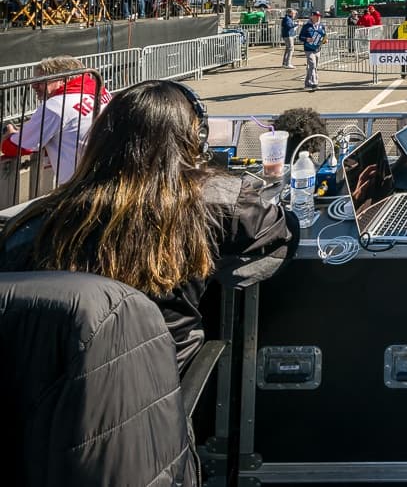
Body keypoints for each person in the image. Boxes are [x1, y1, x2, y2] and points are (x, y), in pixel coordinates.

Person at [0, 80, 300, 374]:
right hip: (157, 394)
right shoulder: (214, 201)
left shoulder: (35, 221)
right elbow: (282, 234)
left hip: (53, 402)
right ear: (194, 139)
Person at [2, 56, 112, 186]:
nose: (33, 86)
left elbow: (16, 147)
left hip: (78, 186)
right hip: (109, 173)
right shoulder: (102, 92)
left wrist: (8, 136)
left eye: (41, 80)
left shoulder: (55, 106)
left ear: (62, 80)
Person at [298, 10, 327, 91]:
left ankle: (307, 84)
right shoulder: (306, 26)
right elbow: (300, 37)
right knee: (312, 65)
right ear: (312, 16)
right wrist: (307, 39)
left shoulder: (321, 26)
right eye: (316, 16)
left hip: (317, 49)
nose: (318, 17)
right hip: (308, 49)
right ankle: (314, 83)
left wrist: (325, 40)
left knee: (313, 67)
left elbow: (324, 35)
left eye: (319, 16)